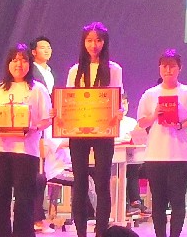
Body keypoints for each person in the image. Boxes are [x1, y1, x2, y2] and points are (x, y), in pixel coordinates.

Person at [0, 44, 54, 237]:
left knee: (24, 201)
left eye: (23, 60)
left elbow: (47, 119)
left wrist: (33, 128)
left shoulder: (37, 89)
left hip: (26, 152)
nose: (19, 64)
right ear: (8, 63)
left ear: (29, 64)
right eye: (14, 60)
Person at [63, 22, 124, 237]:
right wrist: (60, 112)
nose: (94, 45)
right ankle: (81, 231)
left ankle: (101, 231)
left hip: (103, 131)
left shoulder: (114, 69)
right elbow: (68, 100)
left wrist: (119, 111)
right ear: (83, 42)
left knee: (102, 181)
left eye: (98, 40)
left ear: (105, 42)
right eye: (89, 40)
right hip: (78, 131)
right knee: (80, 182)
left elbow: (118, 98)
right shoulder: (75, 70)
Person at [136, 49, 187, 237]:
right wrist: (154, 115)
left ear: (179, 68)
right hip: (155, 155)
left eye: (172, 66)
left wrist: (180, 124)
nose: (168, 70)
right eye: (164, 66)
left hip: (180, 155)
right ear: (159, 68)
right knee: (158, 202)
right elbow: (142, 122)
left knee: (178, 202)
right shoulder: (150, 94)